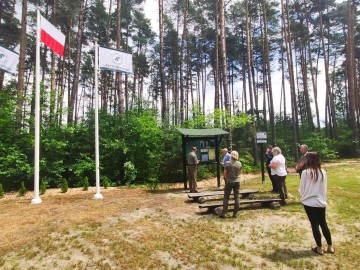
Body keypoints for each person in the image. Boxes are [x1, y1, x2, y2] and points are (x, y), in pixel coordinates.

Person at [299, 152, 335, 255]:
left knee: (315, 225)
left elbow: (302, 189)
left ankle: (319, 248)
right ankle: (330, 246)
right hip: (321, 201)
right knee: (323, 223)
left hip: (309, 202)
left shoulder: (305, 172)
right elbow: (324, 187)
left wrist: (303, 195)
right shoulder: (323, 172)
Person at [219, 151, 242, 218]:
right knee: (237, 197)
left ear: (231, 155)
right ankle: (235, 214)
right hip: (237, 181)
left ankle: (224, 213)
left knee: (226, 197)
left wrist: (227, 179)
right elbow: (239, 173)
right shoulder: (239, 163)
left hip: (229, 182)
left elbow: (225, 174)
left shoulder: (227, 163)